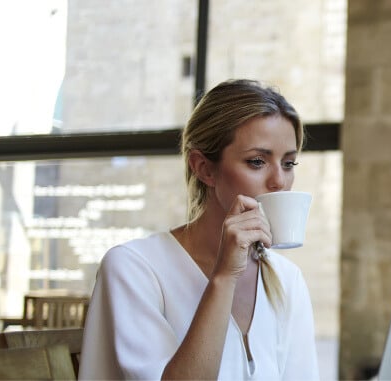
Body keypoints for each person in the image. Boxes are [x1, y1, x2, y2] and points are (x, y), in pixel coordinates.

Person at [79, 79, 320, 380]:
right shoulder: (133, 268)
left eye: (288, 163)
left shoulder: (287, 280)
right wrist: (224, 277)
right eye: (257, 161)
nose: (279, 182)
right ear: (204, 168)